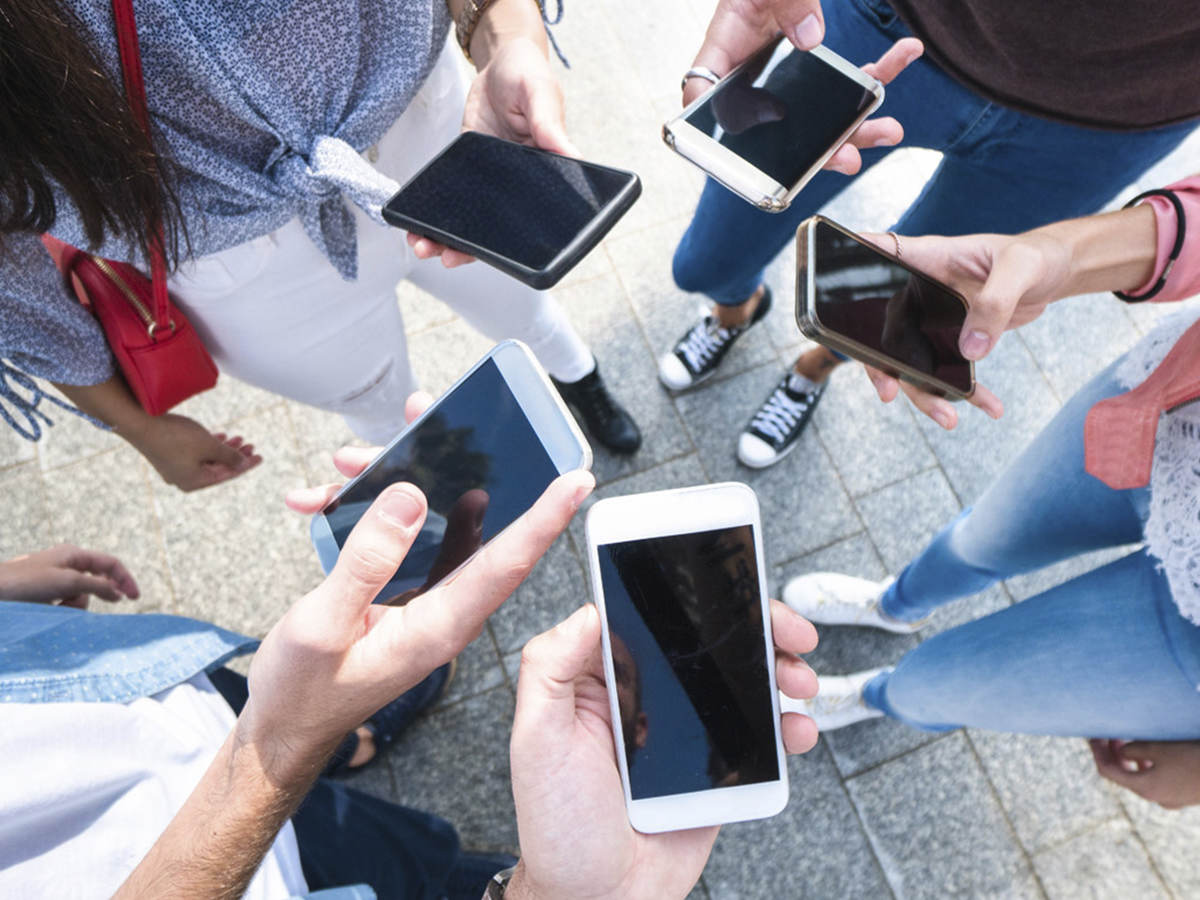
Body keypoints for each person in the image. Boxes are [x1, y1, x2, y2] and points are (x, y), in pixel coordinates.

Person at [0, 391, 821, 898]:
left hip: (128, 694)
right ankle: (332, 741)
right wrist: (279, 744)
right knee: (415, 871)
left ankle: (347, 738)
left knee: (294, 755)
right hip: (259, 865)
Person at [0, 0, 639, 496]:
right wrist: (137, 426)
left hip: (434, 129)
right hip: (228, 256)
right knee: (378, 400)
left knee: (520, 302)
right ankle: (442, 488)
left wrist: (505, 31)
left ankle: (578, 378)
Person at [781, 179, 1200, 791]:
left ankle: (881, 694)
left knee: (940, 685)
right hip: (1172, 408)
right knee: (985, 536)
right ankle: (895, 605)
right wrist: (1060, 255)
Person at [660, 0, 1199, 468]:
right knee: (706, 262)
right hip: (896, 27)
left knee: (890, 313)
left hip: (1111, 121)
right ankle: (737, 309)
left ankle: (815, 368)